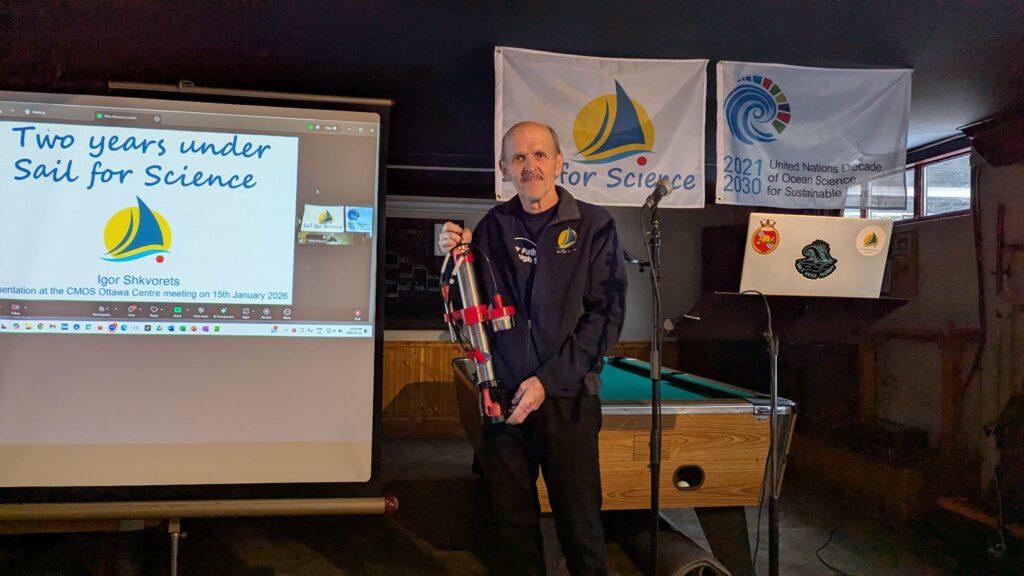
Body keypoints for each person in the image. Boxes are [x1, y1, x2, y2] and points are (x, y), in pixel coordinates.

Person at [439, 121, 627, 575]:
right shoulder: (492, 226)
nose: (530, 166)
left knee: (581, 529)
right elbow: (472, 303)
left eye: (540, 155)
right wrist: (456, 251)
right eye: (519, 158)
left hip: (567, 400)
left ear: (559, 162)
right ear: (504, 168)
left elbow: (606, 318)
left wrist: (546, 381)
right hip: (503, 399)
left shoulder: (595, 226)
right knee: (513, 529)